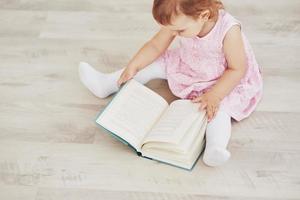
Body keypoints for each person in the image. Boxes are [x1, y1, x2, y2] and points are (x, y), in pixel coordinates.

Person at [78, 0, 263, 167]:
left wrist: (215, 95)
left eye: (179, 31)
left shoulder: (229, 30)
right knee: (154, 62)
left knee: (220, 109)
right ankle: (108, 83)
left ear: (204, 15)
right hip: (190, 64)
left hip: (223, 79)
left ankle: (215, 147)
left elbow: (237, 69)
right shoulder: (179, 19)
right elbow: (156, 46)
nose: (174, 34)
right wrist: (134, 64)